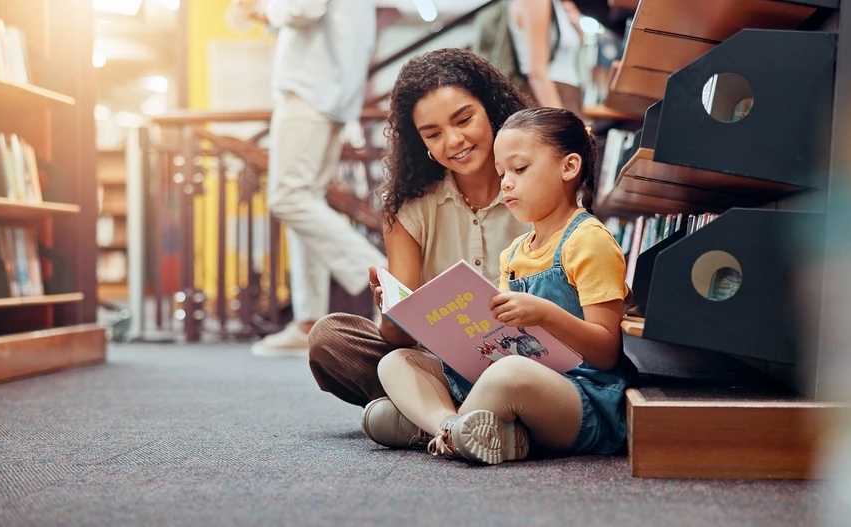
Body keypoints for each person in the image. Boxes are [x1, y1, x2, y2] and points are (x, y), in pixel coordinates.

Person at [367, 107, 635, 465]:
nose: (506, 182)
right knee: (396, 362)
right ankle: (453, 428)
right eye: (501, 173)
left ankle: (433, 429)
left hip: (581, 397)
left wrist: (546, 315)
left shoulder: (589, 241)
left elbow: (606, 352)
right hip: (508, 379)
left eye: (519, 169)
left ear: (568, 167)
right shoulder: (514, 253)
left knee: (509, 374)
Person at [307, 48, 532, 409]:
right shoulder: (408, 210)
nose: (454, 141)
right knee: (330, 338)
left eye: (463, 120)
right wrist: (392, 309)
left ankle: (424, 414)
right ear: (420, 143)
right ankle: (463, 411)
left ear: (492, 111)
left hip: (530, 362)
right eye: (433, 134)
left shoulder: (537, 185)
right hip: (440, 366)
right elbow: (397, 339)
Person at [232, 0, 388, 356]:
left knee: (288, 197)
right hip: (331, 88)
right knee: (305, 198)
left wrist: (263, 9)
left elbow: (304, 8)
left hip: (310, 87)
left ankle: (385, 275)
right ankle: (309, 321)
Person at [508, 0, 585, 117]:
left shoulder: (560, 5)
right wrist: (562, 120)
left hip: (567, 94)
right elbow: (537, 73)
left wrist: (578, 28)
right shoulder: (535, 2)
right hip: (550, 96)